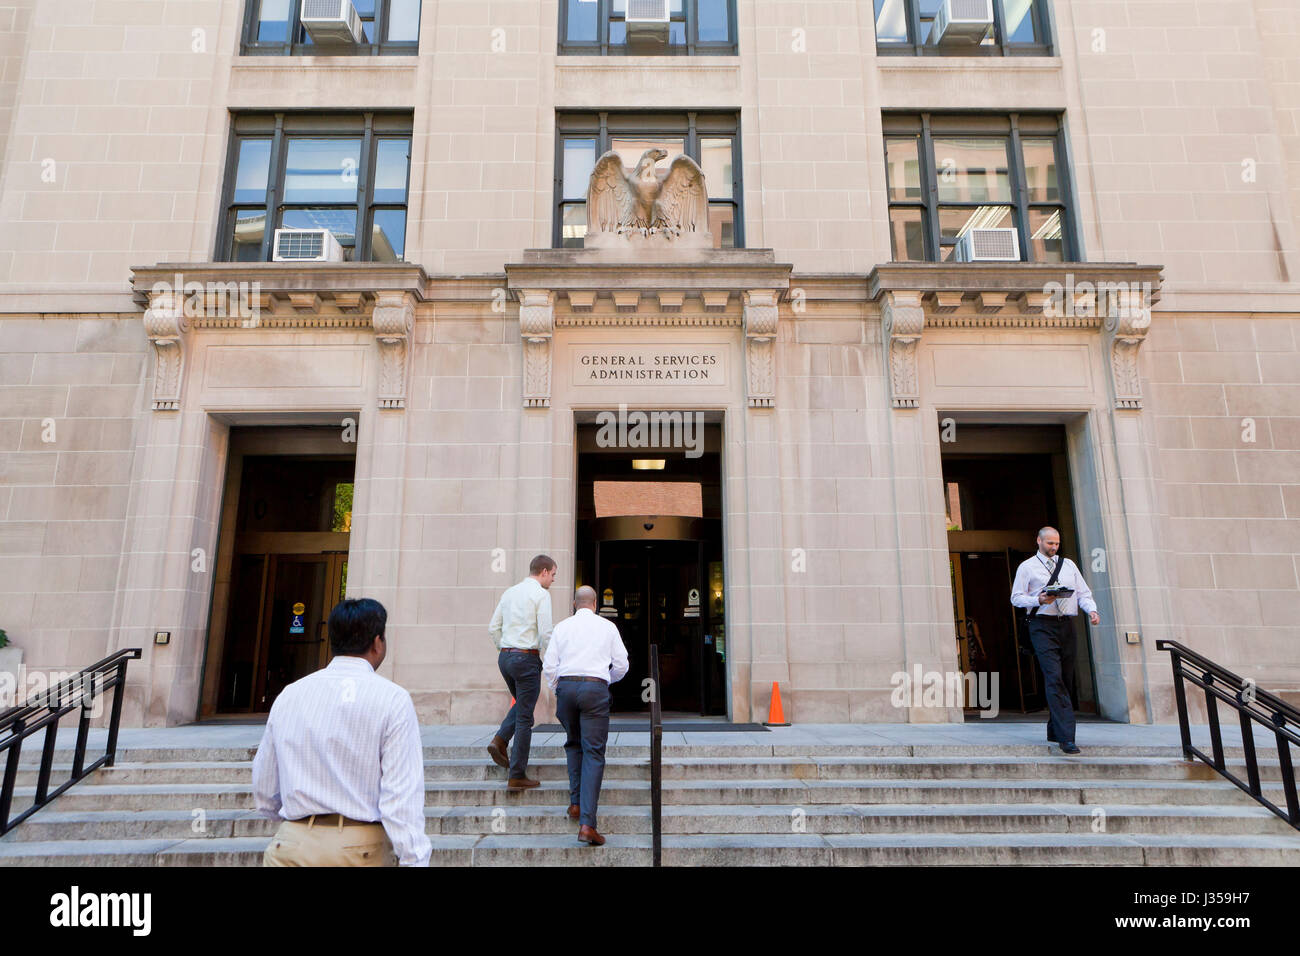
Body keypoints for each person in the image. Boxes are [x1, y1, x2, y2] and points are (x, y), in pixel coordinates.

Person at [252, 598, 431, 867]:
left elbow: (265, 787)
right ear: (377, 642)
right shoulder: (392, 699)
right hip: (358, 847)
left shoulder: (290, 695)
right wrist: (414, 859)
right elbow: (400, 798)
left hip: (291, 843)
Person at [542, 586, 629, 846]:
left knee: (573, 744)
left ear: (574, 604)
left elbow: (549, 666)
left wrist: (559, 687)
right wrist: (604, 681)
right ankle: (588, 824)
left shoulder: (562, 627)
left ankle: (576, 804)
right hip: (595, 688)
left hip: (566, 688)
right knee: (593, 752)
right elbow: (622, 664)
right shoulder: (607, 627)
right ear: (594, 604)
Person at [1010, 527, 1101, 756]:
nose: (1053, 547)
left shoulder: (1068, 565)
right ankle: (1066, 738)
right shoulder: (1027, 567)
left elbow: (1083, 593)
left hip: (1066, 625)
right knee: (1054, 677)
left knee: (1065, 679)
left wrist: (1092, 611)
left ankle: (1053, 729)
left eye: (1057, 544)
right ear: (1039, 540)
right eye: (1050, 543)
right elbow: (1016, 598)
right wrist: (1037, 599)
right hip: (1042, 624)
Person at [487, 554, 556, 789]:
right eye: (553, 575)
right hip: (526, 659)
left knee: (522, 705)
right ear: (544, 572)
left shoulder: (509, 592)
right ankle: (516, 774)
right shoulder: (541, 595)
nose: (553, 580)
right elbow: (546, 632)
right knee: (526, 717)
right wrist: (557, 657)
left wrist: (505, 648)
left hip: (505, 657)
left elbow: (493, 627)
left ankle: (500, 740)